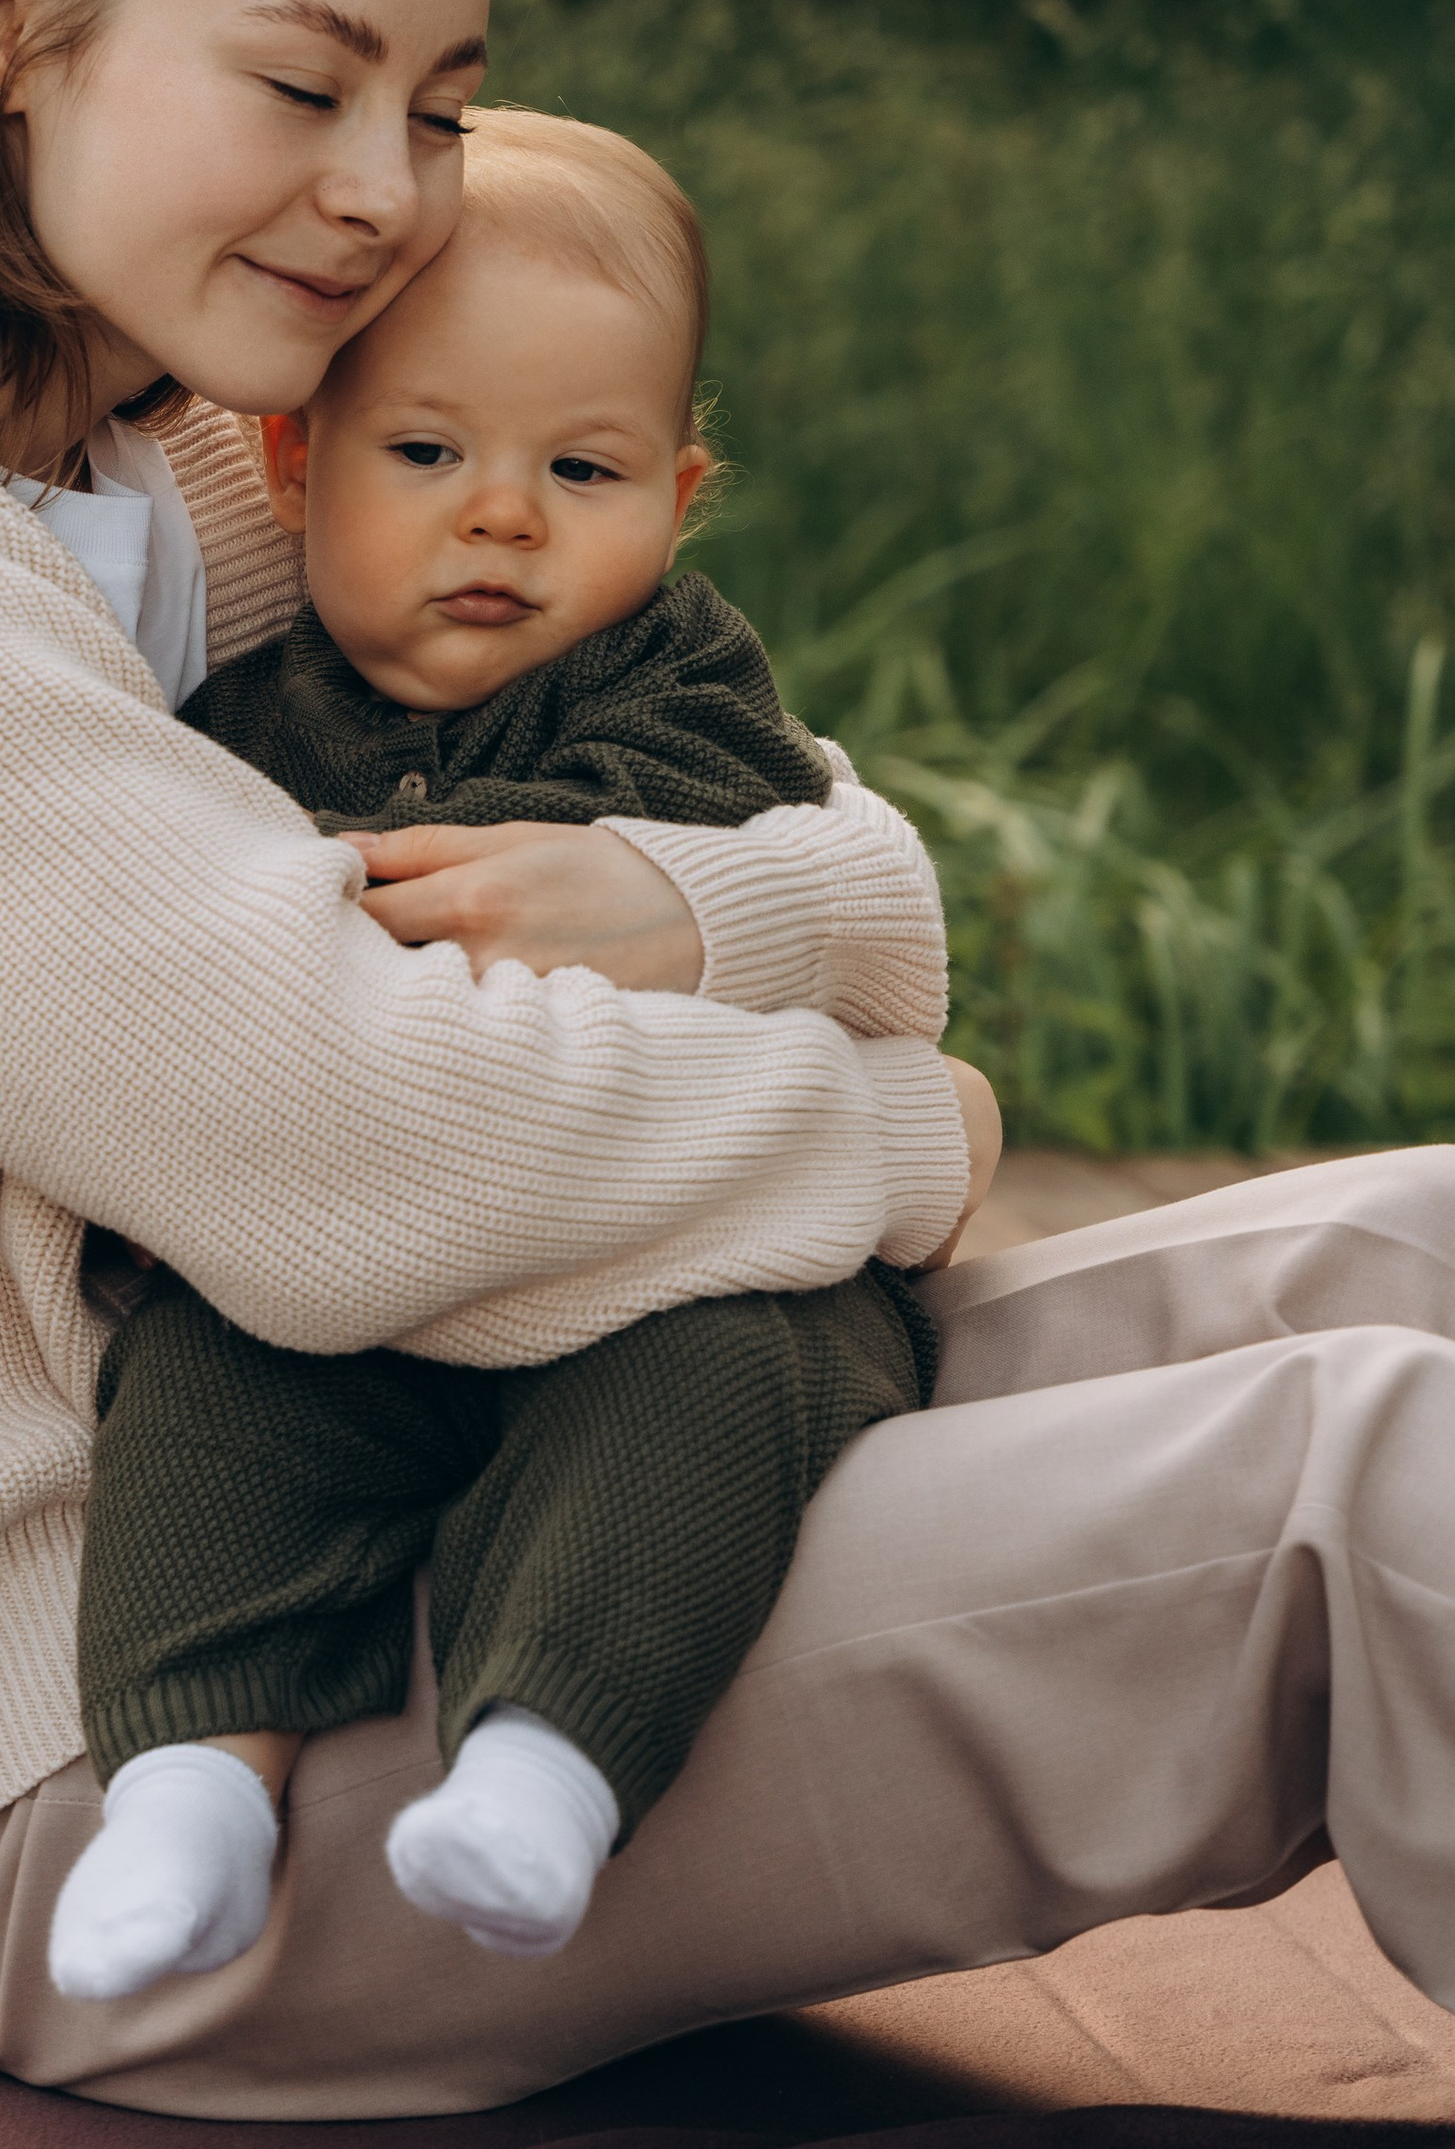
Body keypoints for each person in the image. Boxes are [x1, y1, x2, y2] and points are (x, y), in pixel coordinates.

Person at [0, 0, 1455, 2122]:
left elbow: (843, 861)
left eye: (435, 104)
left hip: (475, 1453)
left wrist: (695, 918)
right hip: (137, 1752)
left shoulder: (225, 483)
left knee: (1434, 1244)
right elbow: (375, 1161)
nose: (381, 190)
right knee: (1366, 1486)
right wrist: (902, 1138)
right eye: (300, 79)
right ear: (8, 29)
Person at [51, 111, 941, 2000]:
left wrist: (652, 908)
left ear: (681, 500)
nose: (504, 514)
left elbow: (824, 910)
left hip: (666, 1260)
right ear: (296, 466)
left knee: (708, 1403)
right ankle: (193, 1786)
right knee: (205, 1388)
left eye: (585, 466)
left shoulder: (681, 695)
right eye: (429, 451)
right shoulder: (231, 729)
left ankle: (548, 1765)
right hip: (360, 1299)